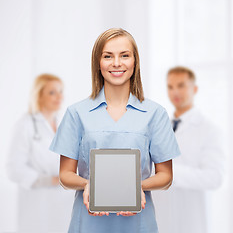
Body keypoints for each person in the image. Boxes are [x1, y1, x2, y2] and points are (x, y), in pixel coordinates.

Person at [49, 28, 180, 233]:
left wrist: (135, 189)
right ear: (98, 63)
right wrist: (90, 185)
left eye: (124, 55)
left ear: (135, 62)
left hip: (138, 224)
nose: (117, 63)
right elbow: (65, 174)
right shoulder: (77, 113)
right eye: (108, 56)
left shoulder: (155, 113)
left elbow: (166, 177)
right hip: (88, 224)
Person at [153, 66, 225, 233]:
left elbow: (215, 177)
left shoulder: (209, 130)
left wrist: (170, 173)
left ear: (195, 89)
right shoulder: (161, 127)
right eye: (170, 87)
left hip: (191, 222)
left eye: (181, 85)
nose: (175, 92)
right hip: (162, 220)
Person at [6, 74, 74, 233]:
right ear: (39, 95)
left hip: (64, 204)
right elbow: (13, 169)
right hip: (37, 204)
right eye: (52, 92)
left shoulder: (64, 124)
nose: (59, 97)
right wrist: (49, 180)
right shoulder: (25, 125)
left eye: (61, 91)